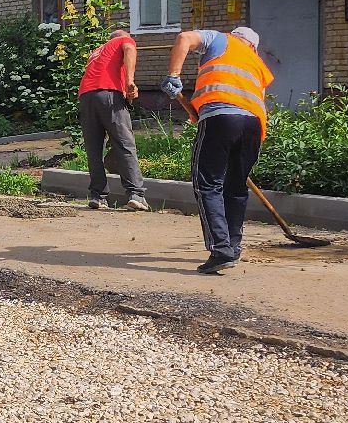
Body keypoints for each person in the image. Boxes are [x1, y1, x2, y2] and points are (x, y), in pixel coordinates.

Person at [162, 26, 274, 273]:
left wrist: (174, 75)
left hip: (221, 117)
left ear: (235, 36)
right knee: (236, 186)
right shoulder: (258, 65)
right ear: (253, 46)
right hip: (253, 126)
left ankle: (221, 249)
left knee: (208, 183)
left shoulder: (220, 39)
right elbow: (254, 101)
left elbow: (184, 38)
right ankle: (233, 247)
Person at [78, 26, 148, 211]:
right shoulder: (123, 41)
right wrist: (130, 81)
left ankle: (97, 195)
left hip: (86, 97)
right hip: (109, 95)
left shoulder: (96, 52)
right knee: (124, 143)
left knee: (94, 148)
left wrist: (128, 94)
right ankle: (136, 194)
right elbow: (130, 50)